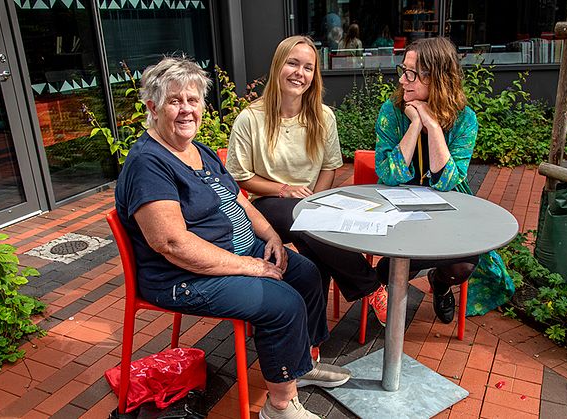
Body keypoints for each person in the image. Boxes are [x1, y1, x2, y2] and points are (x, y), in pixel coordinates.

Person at [114, 56, 350, 419]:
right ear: (152, 106)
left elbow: (237, 197)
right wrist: (248, 266)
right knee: (282, 303)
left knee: (305, 272)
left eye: (193, 100)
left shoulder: (198, 150)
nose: (186, 110)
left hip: (235, 253)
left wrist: (271, 236)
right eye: (175, 101)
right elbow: (172, 243)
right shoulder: (149, 163)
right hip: (183, 276)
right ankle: (280, 406)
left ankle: (300, 365)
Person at [226, 36, 389, 327]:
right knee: (309, 223)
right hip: (266, 206)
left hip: (311, 204)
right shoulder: (250, 118)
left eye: (308, 67)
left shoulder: (322, 116)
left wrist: (314, 202)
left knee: (314, 245)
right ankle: (371, 286)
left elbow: (328, 168)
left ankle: (312, 343)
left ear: (314, 76)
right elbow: (242, 177)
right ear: (278, 66)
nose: (299, 73)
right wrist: (284, 190)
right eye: (292, 63)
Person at [374, 37, 514, 323]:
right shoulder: (392, 112)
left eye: (412, 74)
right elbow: (389, 174)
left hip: (448, 206)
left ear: (437, 78)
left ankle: (439, 284)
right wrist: (415, 124)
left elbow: (447, 181)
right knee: (390, 269)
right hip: (400, 208)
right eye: (403, 70)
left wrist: (433, 125)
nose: (403, 80)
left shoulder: (464, 119)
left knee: (463, 265)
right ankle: (398, 270)